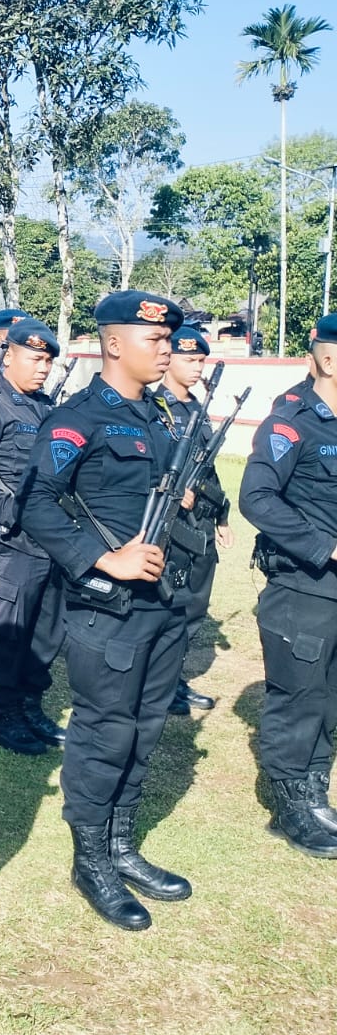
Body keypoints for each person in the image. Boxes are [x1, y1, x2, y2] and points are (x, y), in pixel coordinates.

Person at [18, 290, 193, 933]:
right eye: (155, 340)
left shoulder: (165, 417)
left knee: (146, 725)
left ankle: (122, 843)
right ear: (115, 343)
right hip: (107, 606)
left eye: (169, 339)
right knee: (105, 728)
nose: (166, 349)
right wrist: (102, 558)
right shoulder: (78, 418)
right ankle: (90, 857)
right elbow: (35, 502)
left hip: (163, 602)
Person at [237, 312, 337, 859]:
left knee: (327, 697)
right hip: (303, 585)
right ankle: (290, 805)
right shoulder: (292, 421)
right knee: (298, 696)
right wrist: (327, 547)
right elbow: (257, 497)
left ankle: (315, 788)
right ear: (326, 358)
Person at [0, 318, 67, 756]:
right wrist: (15, 515)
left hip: (52, 539)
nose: (42, 368)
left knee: (47, 628)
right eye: (35, 358)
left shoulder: (46, 408)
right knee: (9, 628)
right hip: (10, 539)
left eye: (47, 361)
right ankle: (5, 716)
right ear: (10, 356)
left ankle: (30, 705)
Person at [155, 326, 232, 717]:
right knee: (172, 604)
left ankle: (173, 679)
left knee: (194, 606)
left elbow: (210, 469)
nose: (196, 367)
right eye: (189, 359)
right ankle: (161, 685)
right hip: (171, 525)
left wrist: (222, 516)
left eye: (201, 360)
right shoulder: (155, 407)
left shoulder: (197, 410)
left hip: (199, 524)